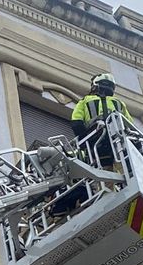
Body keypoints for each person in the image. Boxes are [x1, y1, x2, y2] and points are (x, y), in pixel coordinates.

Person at [49, 73, 133, 217]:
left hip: (101, 146)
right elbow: (129, 126)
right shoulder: (117, 103)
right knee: (113, 175)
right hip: (111, 147)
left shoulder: (86, 101)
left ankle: (109, 201)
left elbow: (76, 122)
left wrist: (85, 140)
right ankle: (111, 200)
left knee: (107, 177)